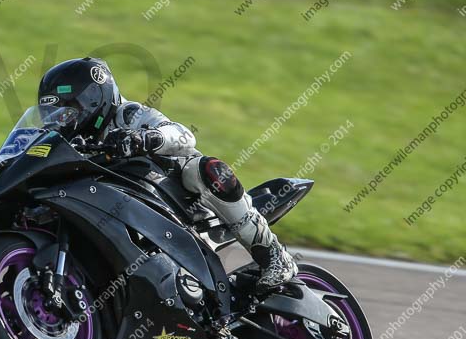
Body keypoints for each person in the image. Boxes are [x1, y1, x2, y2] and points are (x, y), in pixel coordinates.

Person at [38, 57, 298, 290]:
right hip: (121, 212)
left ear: (93, 99)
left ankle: (274, 255)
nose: (61, 121)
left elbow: (184, 135)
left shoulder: (129, 115)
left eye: (67, 112)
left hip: (184, 205)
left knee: (204, 169)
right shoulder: (69, 143)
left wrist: (147, 138)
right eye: (53, 115)